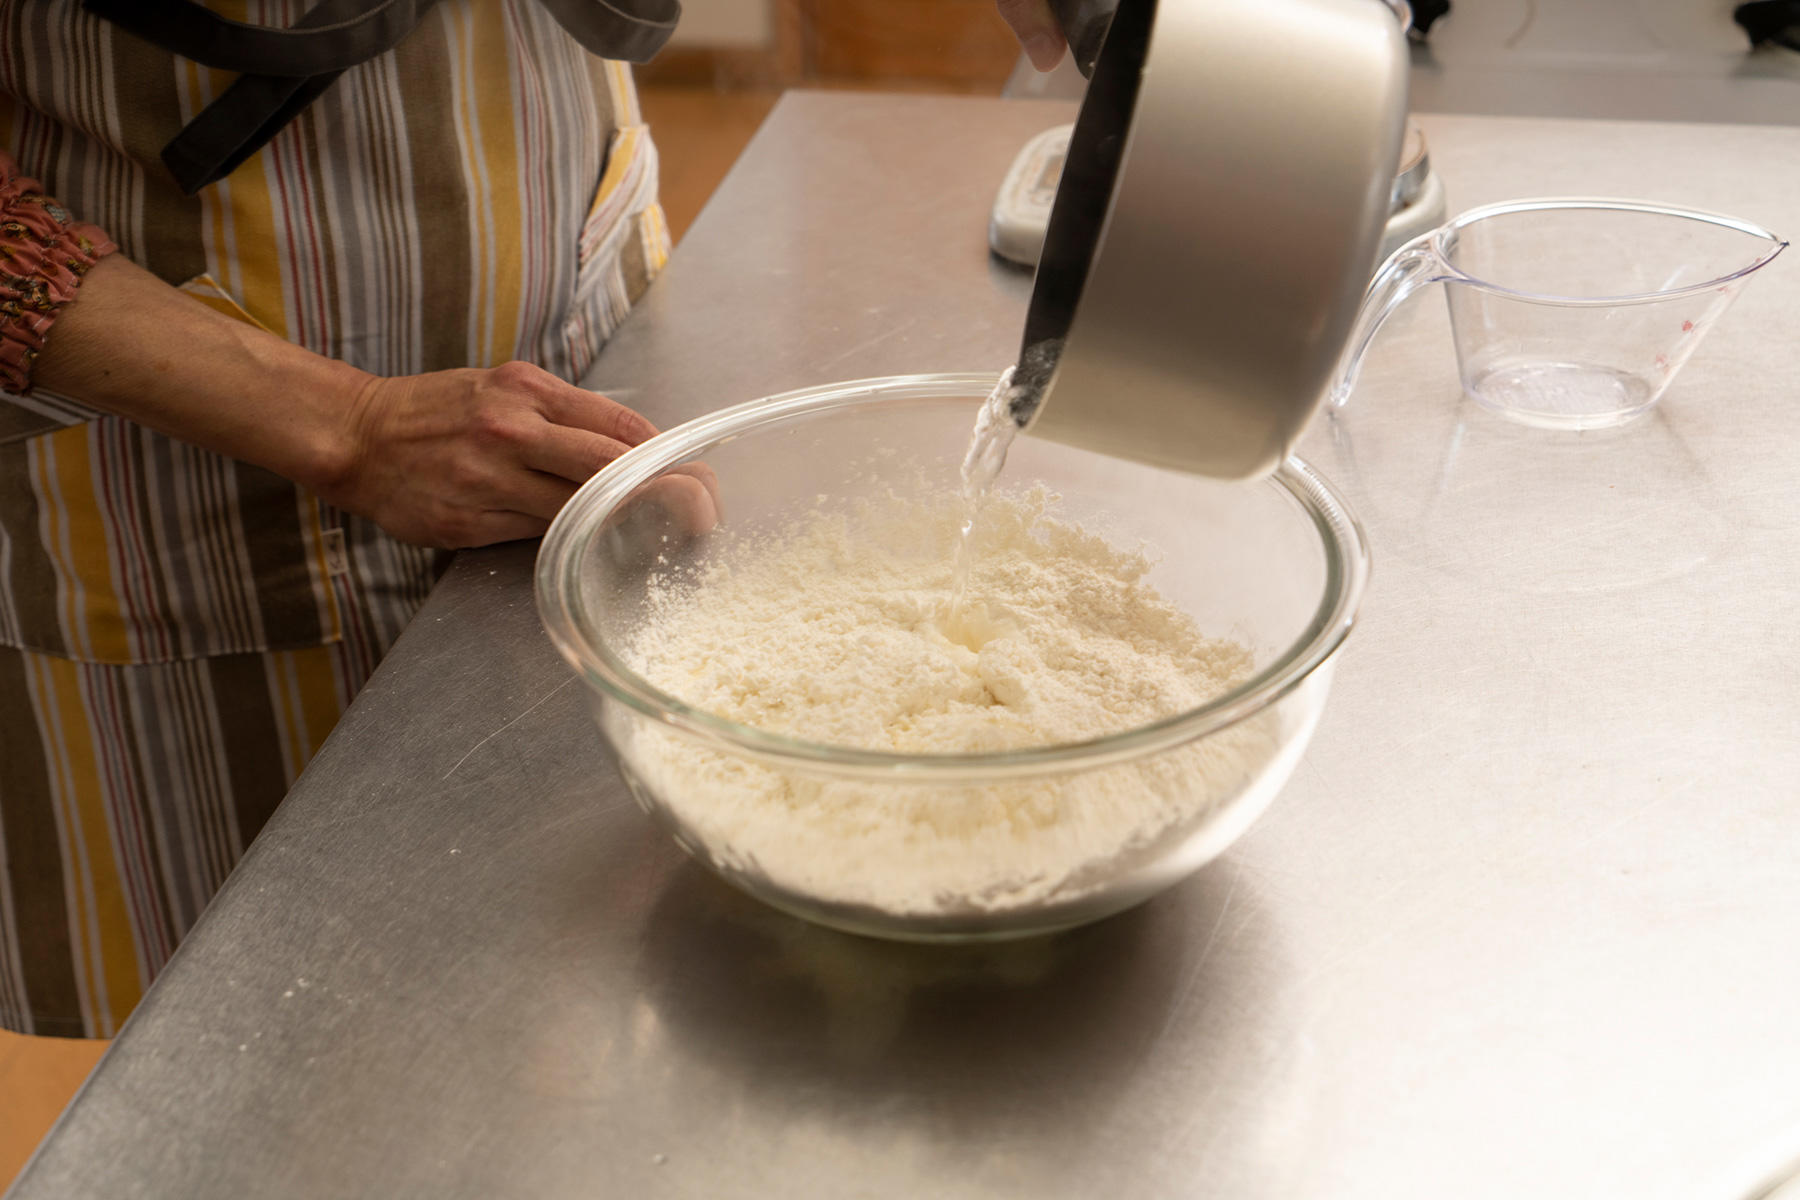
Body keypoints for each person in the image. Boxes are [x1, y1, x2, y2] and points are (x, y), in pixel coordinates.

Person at [0, 0, 1065, 1040]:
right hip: (185, 430)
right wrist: (348, 421)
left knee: (588, 987)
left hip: (566, 262)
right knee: (268, 1032)